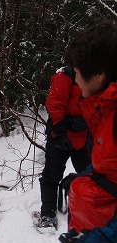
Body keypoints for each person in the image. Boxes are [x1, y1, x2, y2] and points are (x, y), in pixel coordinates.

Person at [58, 21, 117, 243]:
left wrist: (108, 239)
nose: (76, 80)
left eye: (79, 73)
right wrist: (90, 176)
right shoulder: (103, 109)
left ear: (101, 74)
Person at [37, 66, 90, 231]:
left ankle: (89, 211)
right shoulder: (66, 75)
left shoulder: (97, 75)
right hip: (60, 136)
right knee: (51, 175)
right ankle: (47, 213)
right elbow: (55, 104)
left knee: (90, 176)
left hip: (83, 137)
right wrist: (60, 133)